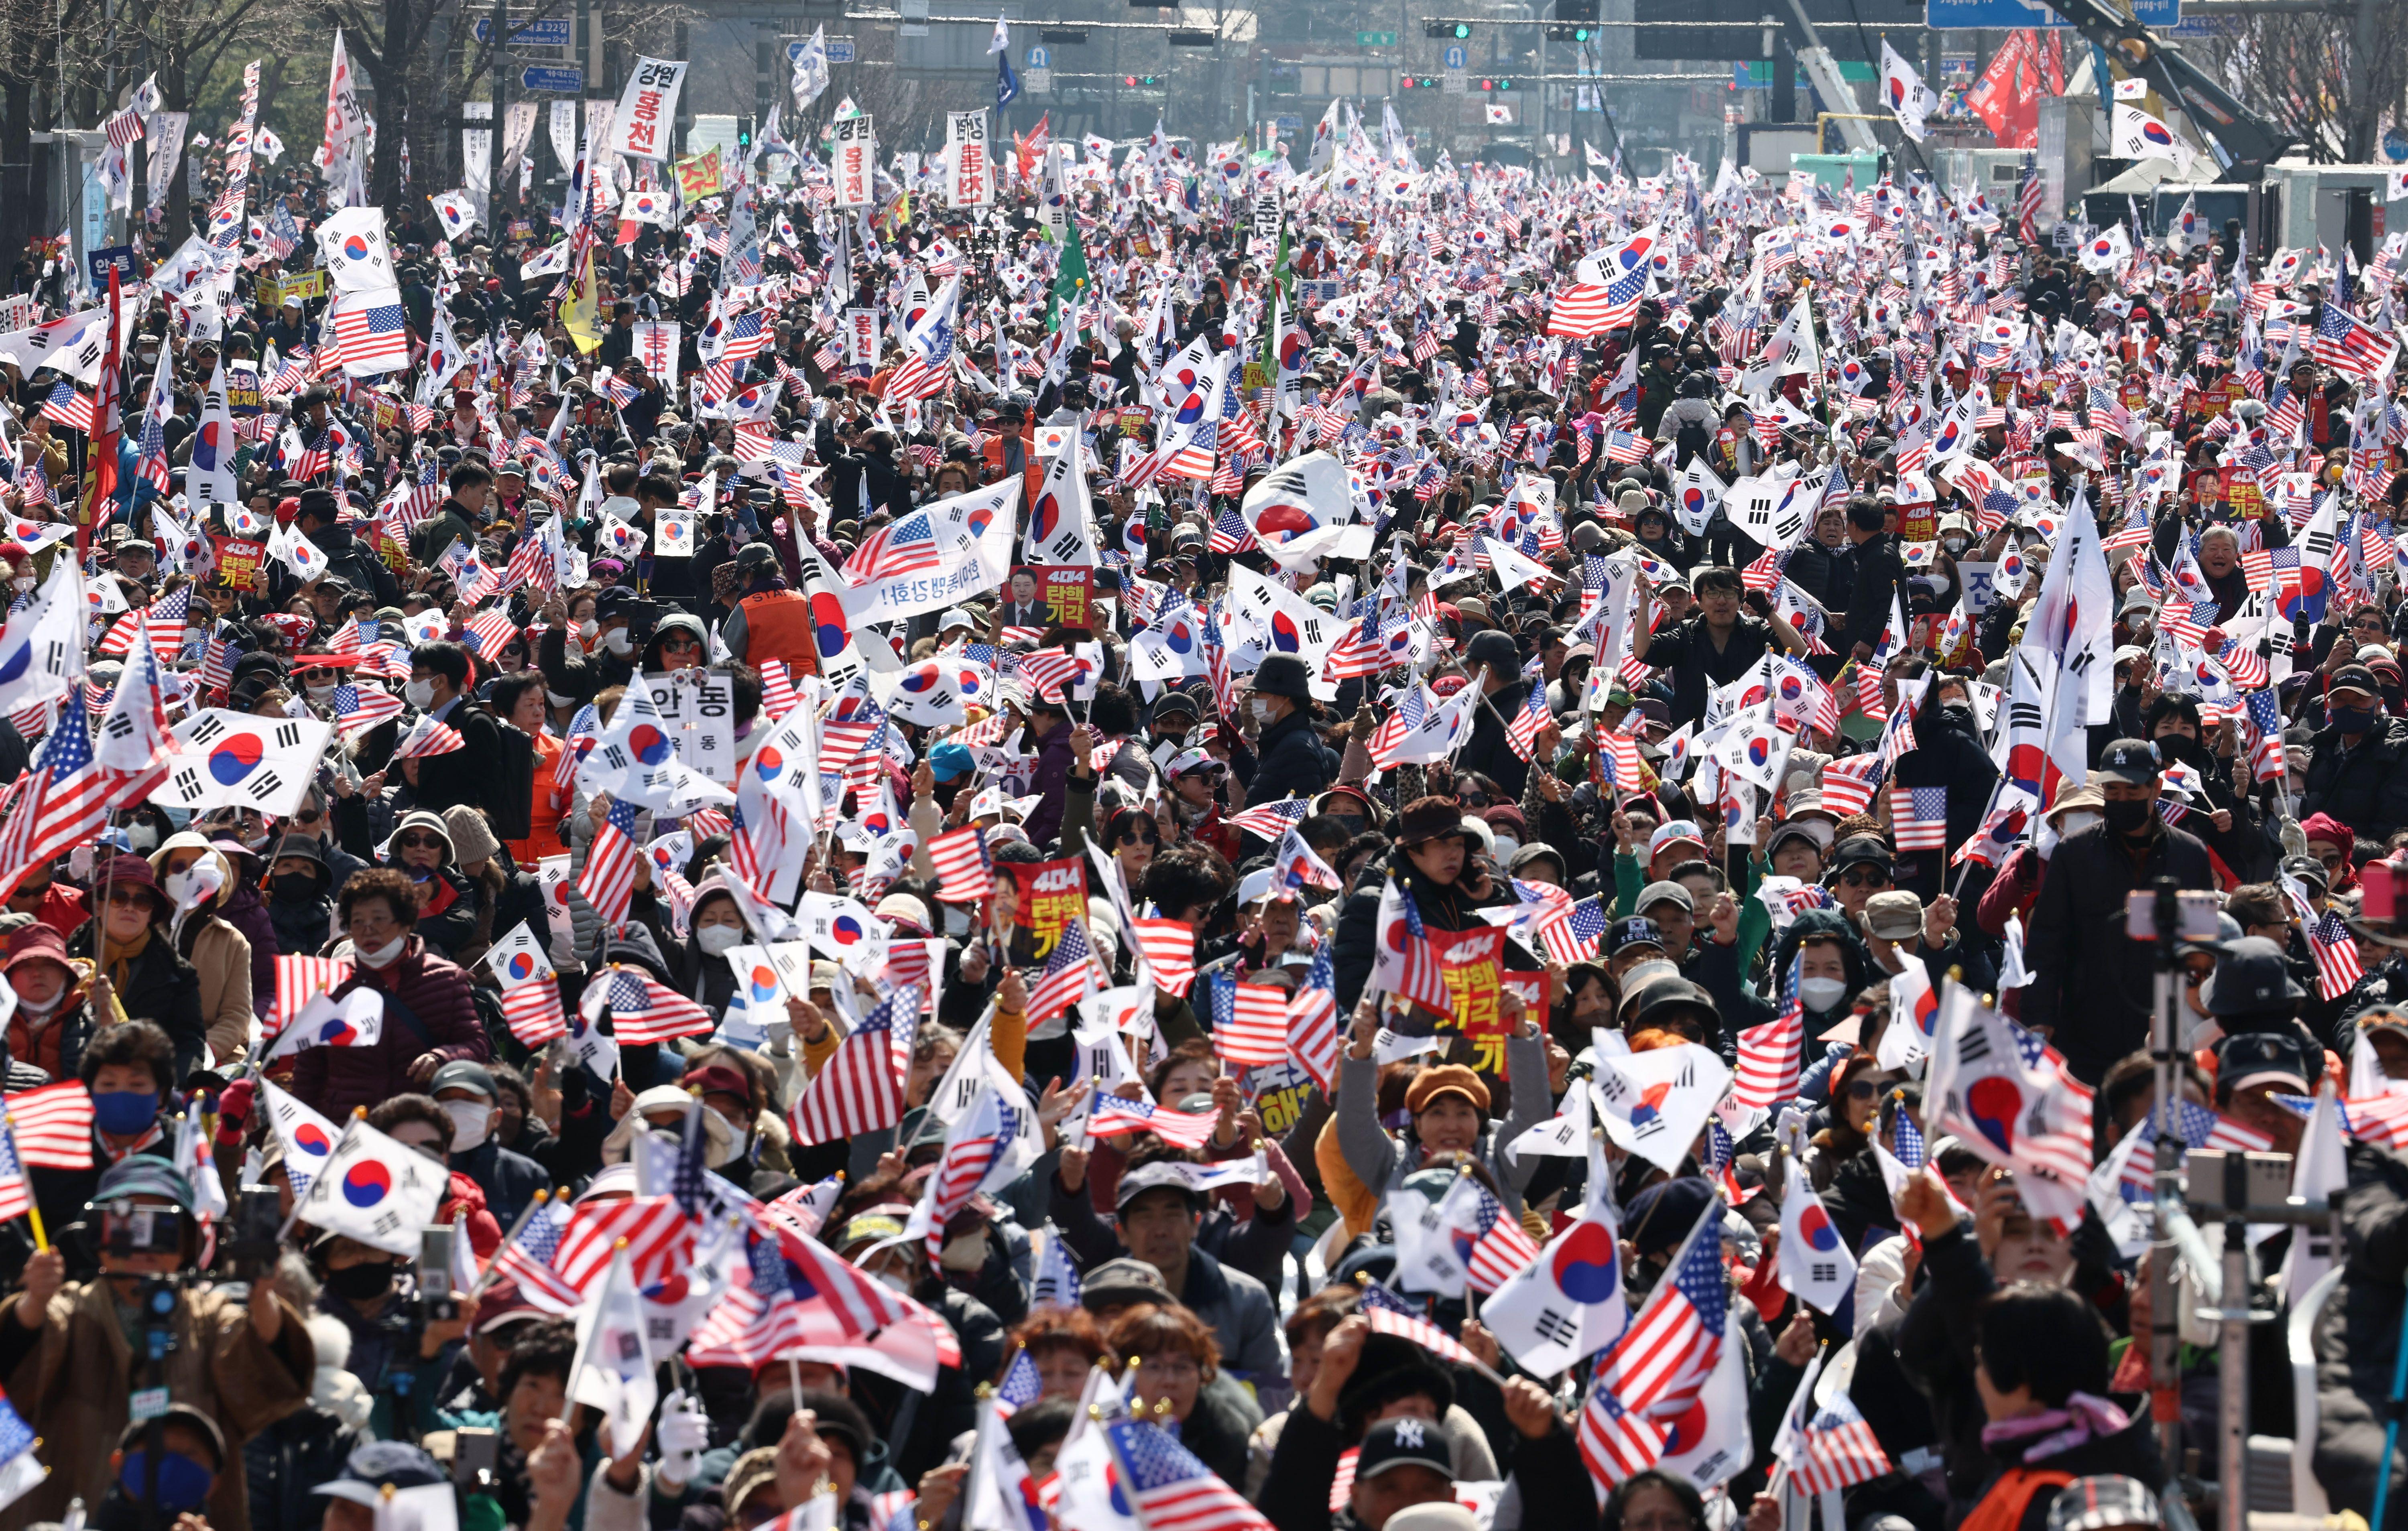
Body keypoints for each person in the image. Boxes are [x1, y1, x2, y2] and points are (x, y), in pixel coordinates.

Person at [0, 1155, 315, 1531]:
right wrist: (34, 1300)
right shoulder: (69, 1309)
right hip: (71, 1507)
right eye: (126, 1221)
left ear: (185, 1242)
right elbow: (17, 1371)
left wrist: (262, 1295)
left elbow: (269, 1377)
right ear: (98, 1235)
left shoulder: (210, 1315)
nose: (143, 1237)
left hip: (189, 1516)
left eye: (162, 1224)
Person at [2020, 739, 2217, 1084]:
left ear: (2156, 787)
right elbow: (2045, 943)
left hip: (2164, 1030)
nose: (2122, 800)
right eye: (2112, 791)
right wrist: (2040, 1017)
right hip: (2086, 1027)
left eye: (2132, 790)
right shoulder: (2074, 853)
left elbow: (2202, 946)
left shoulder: (2190, 855)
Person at [291, 869, 490, 1118]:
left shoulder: (446, 979)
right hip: (349, 1127)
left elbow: (476, 1044)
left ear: (406, 922)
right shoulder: (331, 983)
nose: (368, 930)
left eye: (379, 919)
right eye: (358, 921)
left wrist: (442, 1057)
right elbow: (309, 1068)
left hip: (421, 1126)